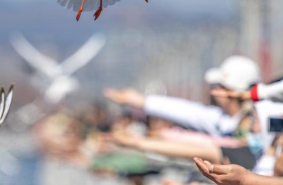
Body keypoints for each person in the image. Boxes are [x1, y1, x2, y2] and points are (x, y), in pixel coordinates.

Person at [105, 55, 261, 138]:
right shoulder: (222, 119)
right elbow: (187, 111)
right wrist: (141, 101)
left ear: (234, 91)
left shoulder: (254, 125)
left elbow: (214, 147)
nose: (215, 91)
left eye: (221, 86)